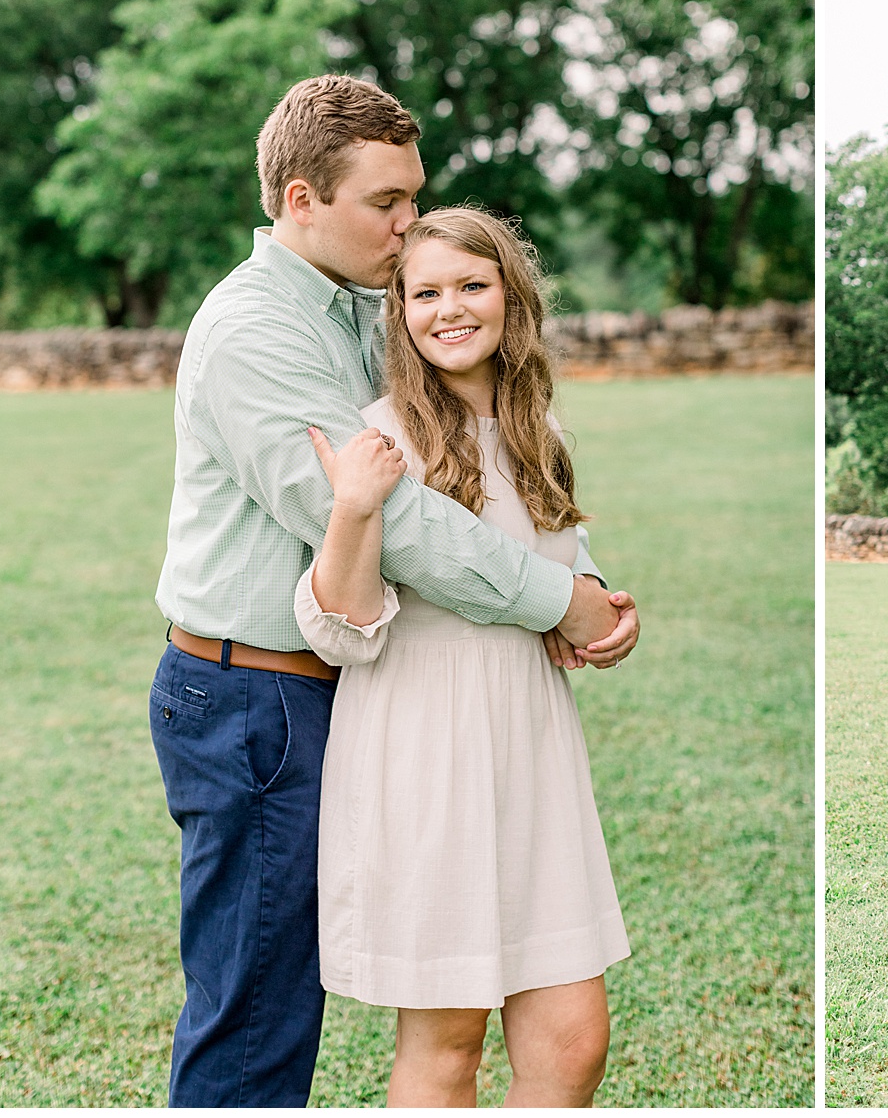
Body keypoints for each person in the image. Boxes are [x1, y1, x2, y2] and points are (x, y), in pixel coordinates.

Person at [148, 75, 639, 1107]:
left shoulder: (366, 307)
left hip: (349, 690)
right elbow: (403, 522)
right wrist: (563, 604)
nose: (407, 223)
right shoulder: (256, 331)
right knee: (254, 1018)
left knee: (290, 1011)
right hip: (251, 696)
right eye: (385, 203)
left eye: (412, 197)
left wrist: (578, 565)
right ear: (300, 201)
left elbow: (506, 456)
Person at [296, 207, 628, 1107]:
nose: (450, 309)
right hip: (424, 752)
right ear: (397, 309)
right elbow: (344, 624)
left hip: (532, 748)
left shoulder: (540, 432)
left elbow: (558, 550)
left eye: (471, 286)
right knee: (449, 1045)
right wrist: (355, 508)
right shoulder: (381, 435)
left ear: (509, 300)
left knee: (572, 1042)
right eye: (425, 291)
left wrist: (601, 601)